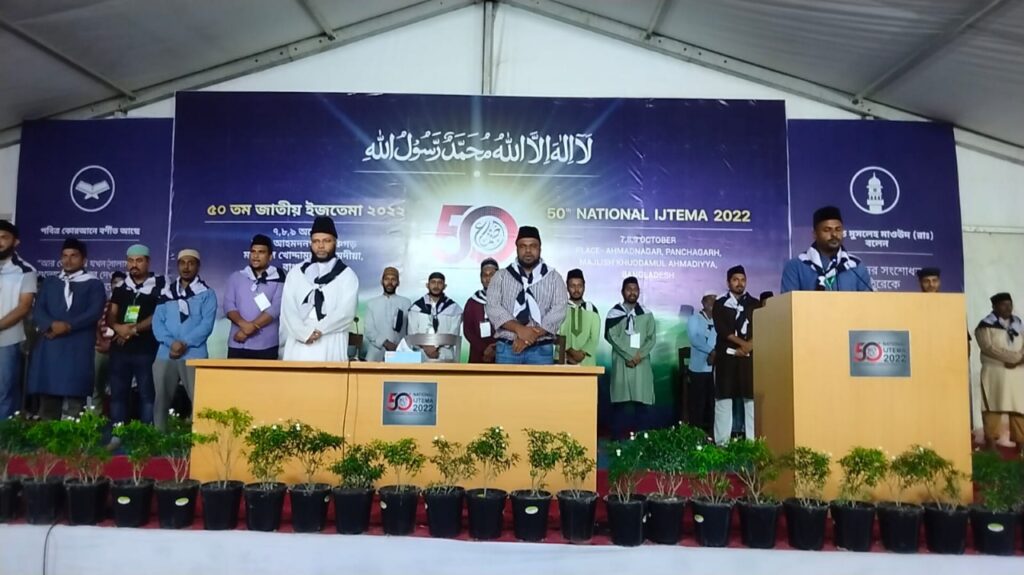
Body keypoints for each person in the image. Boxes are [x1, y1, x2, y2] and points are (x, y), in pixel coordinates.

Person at [27, 238, 106, 420]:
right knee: (48, 401)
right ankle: (48, 438)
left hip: (77, 347)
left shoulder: (94, 284)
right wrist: (51, 325)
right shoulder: (51, 282)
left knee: (75, 403)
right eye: (64, 256)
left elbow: (94, 311)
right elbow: (38, 309)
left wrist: (68, 325)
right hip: (51, 346)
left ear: (84, 260)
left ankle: (72, 438)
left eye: (73, 256)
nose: (68, 260)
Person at [152, 249, 217, 430]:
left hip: (194, 354)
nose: (186, 267)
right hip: (166, 354)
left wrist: (184, 343)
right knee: (161, 400)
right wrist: (171, 343)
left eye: (191, 263)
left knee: (199, 400)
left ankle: (199, 440)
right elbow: (157, 323)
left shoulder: (207, 293)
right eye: (182, 263)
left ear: (198, 266)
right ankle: (159, 439)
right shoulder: (166, 293)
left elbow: (206, 325)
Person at [281, 216, 359, 361]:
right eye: (316, 241)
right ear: (311, 243)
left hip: (330, 340)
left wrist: (319, 330)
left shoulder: (347, 275)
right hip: (299, 343)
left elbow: (346, 313)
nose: (321, 246)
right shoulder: (296, 273)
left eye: (326, 241)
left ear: (335, 242)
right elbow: (288, 310)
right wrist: (303, 333)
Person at [486, 226, 567, 365]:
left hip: (541, 350)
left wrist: (531, 335)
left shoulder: (554, 277)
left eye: (533, 246)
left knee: (541, 382)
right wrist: (519, 329)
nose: (528, 251)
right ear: (516, 248)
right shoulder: (501, 276)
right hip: (508, 349)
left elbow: (559, 309)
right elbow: (493, 307)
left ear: (540, 248)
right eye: (523, 246)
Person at [106, 245, 164, 425]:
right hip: (120, 349)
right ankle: (118, 433)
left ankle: (145, 435)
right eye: (130, 261)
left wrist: (133, 329)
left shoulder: (160, 284)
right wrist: (118, 327)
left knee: (147, 395)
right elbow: (111, 314)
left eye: (139, 261)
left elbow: (159, 315)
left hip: (146, 349)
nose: (134, 265)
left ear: (148, 262)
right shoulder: (121, 286)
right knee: (118, 395)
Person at [605, 277, 656, 439]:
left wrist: (639, 356)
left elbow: (651, 338)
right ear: (622, 292)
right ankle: (617, 443)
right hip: (622, 363)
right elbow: (611, 336)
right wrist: (629, 355)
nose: (632, 292)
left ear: (639, 291)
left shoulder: (647, 314)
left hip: (641, 364)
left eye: (635, 289)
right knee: (620, 405)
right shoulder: (614, 313)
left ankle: (641, 443)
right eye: (629, 289)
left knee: (642, 406)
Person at [713, 265, 758, 445]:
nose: (739, 283)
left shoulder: (754, 303)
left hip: (748, 359)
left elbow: (760, 327)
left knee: (750, 400)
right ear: (728, 282)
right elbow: (723, 330)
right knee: (724, 399)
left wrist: (749, 346)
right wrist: (743, 344)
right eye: (735, 280)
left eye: (742, 280)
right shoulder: (720, 304)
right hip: (727, 359)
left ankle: (752, 443)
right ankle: (722, 444)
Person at [781, 206, 873, 292]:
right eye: (827, 230)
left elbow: (869, 302)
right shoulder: (796, 266)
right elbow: (789, 302)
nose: (834, 234)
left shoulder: (855, 266)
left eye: (838, 229)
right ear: (815, 234)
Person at [975, 292, 1024, 448]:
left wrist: (1019, 359)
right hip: (995, 372)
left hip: (1017, 372)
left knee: (1019, 407)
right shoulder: (985, 326)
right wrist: (1012, 359)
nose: (1008, 308)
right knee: (993, 406)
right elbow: (989, 348)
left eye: (1010, 304)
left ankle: (1021, 442)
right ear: (994, 307)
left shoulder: (1019, 323)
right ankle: (991, 442)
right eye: (1003, 305)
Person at [223, 234, 284, 360]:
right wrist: (244, 326)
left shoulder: (279, 279)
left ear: (270, 256)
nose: (256, 256)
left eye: (261, 252)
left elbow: (275, 308)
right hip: (238, 341)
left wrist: (252, 327)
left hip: (266, 345)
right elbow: (228, 305)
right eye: (253, 252)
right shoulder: (236, 277)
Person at [0, 220, 37, 418]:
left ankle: (4, 435)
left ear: (15, 242)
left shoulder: (25, 270)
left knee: (4, 391)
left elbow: (24, 306)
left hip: (7, 340)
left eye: (4, 237)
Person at [408, 272, 463, 362]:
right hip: (421, 356)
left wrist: (436, 347)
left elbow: (453, 334)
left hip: (445, 356)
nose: (436, 286)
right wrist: (427, 348)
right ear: (427, 285)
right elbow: (412, 333)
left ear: (444, 286)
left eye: (439, 283)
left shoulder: (453, 309)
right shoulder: (416, 308)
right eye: (433, 282)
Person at [686, 291, 717, 437]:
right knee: (698, 404)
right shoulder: (694, 319)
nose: (712, 303)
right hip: (698, 368)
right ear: (703, 302)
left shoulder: (719, 320)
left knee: (713, 403)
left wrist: (715, 353)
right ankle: (695, 435)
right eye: (709, 299)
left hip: (715, 368)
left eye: (715, 300)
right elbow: (694, 339)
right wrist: (711, 351)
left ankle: (712, 434)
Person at [364, 267, 411, 362]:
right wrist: (386, 343)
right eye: (387, 279)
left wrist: (400, 347)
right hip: (376, 353)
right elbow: (369, 330)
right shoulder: (372, 303)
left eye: (393, 279)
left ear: (398, 283)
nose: (390, 282)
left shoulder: (406, 303)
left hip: (399, 352)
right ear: (382, 282)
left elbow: (409, 330)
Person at [558, 269, 600, 366]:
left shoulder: (592, 309)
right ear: (567, 287)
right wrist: (570, 351)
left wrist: (582, 353)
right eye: (572, 286)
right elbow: (557, 334)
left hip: (586, 362)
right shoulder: (560, 308)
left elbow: (594, 338)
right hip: (564, 359)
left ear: (584, 286)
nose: (576, 290)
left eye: (579, 286)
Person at [463, 259, 499, 363]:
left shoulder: (507, 300)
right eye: (485, 275)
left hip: (502, 353)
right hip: (478, 353)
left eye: (492, 275)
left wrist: (496, 348)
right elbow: (468, 331)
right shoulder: (473, 302)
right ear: (481, 278)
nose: (488, 278)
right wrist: (484, 349)